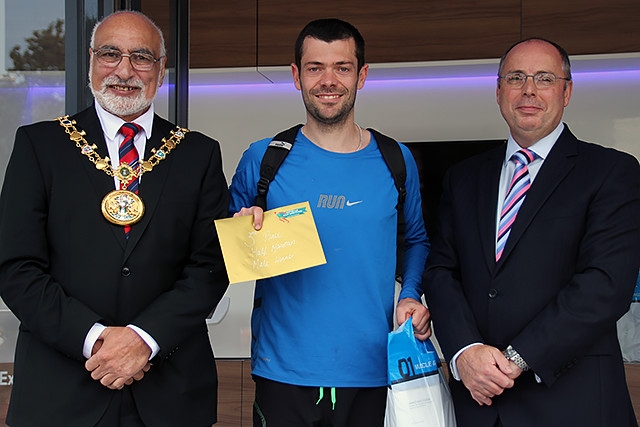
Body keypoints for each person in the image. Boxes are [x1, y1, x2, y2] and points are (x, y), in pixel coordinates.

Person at [0, 10, 229, 427]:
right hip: (60, 392)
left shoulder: (198, 154)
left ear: (160, 70)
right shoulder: (40, 145)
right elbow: (16, 266)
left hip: (171, 394)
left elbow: (211, 267)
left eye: (141, 57)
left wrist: (143, 340)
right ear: (90, 62)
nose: (124, 70)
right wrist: (98, 341)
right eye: (110, 54)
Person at [423, 37, 640, 427]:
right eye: (516, 77)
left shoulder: (612, 172)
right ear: (498, 90)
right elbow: (441, 271)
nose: (529, 90)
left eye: (544, 78)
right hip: (478, 403)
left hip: (573, 402)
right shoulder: (463, 178)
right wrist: (465, 352)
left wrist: (515, 359)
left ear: (567, 91)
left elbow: (606, 284)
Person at [228, 18, 430, 427]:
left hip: (372, 371)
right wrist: (239, 228)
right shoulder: (264, 158)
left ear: (362, 75)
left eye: (342, 67)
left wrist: (410, 294)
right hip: (282, 371)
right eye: (315, 67)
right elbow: (217, 247)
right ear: (295, 76)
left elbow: (417, 240)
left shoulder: (396, 160)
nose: (328, 80)